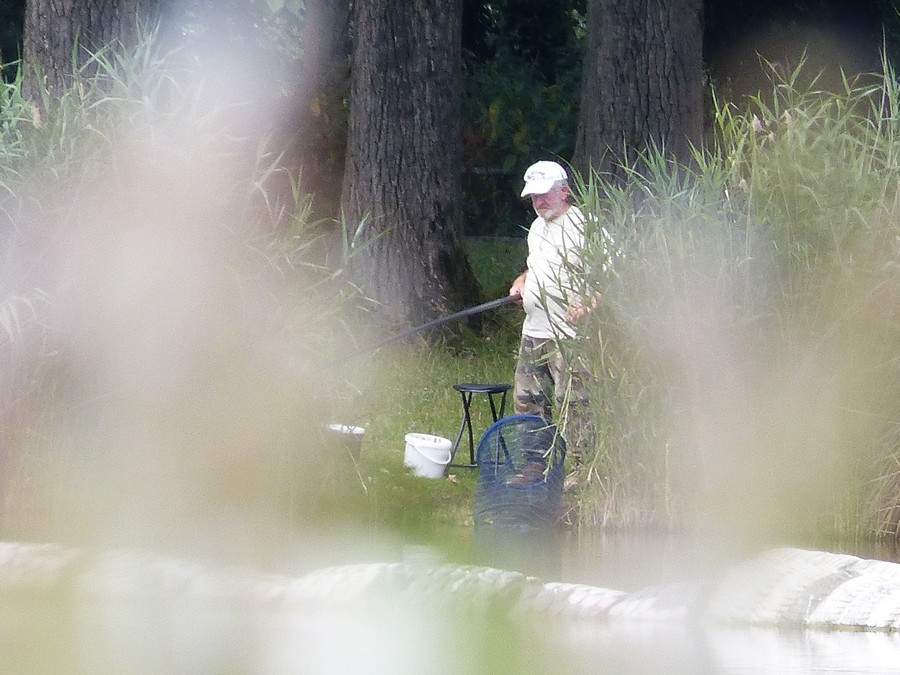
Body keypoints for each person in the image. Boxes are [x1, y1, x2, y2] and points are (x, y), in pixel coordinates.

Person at [507, 160, 596, 486]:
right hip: (534, 330)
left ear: (564, 191)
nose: (539, 202)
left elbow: (611, 274)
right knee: (529, 403)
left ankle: (582, 471)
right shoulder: (537, 229)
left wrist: (589, 302)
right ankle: (535, 466)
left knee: (574, 403)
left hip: (569, 335)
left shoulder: (586, 227)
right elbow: (536, 269)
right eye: (534, 197)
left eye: (545, 195)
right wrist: (521, 281)